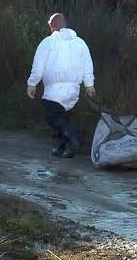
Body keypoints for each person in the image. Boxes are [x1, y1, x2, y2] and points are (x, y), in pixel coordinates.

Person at [27, 13, 95, 158]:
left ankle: (73, 139)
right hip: (73, 91)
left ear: (52, 25)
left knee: (53, 118)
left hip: (54, 90)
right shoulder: (80, 43)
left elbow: (38, 65)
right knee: (65, 118)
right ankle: (63, 148)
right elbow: (87, 64)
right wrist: (89, 85)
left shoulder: (48, 42)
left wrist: (32, 83)